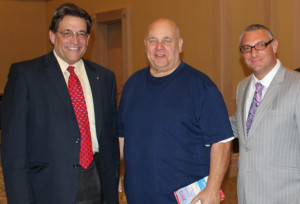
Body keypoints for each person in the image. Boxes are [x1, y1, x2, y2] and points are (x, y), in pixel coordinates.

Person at [1, 3, 120, 204]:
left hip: (96, 182)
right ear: (52, 36)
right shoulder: (26, 76)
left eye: (81, 34)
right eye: (67, 33)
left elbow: (110, 139)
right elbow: (13, 151)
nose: (75, 40)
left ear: (89, 39)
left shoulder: (104, 78)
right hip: (48, 187)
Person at [118, 18, 233, 204]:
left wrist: (213, 188)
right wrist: (114, 172)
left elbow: (222, 141)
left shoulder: (201, 87)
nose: (159, 47)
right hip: (138, 197)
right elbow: (121, 138)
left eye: (167, 40)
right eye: (153, 41)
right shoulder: (132, 85)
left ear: (179, 45)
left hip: (187, 200)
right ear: (145, 45)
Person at [231, 24, 300, 204]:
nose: (253, 53)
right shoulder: (242, 87)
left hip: (286, 196)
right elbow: (241, 127)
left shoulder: (296, 85)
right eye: (247, 48)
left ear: (275, 46)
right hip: (247, 194)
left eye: (261, 45)